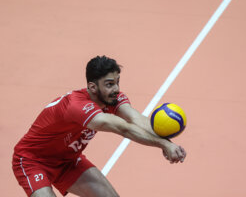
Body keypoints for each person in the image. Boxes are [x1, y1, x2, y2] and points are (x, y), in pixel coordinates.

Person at [12, 55, 187, 197]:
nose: (116, 89)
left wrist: (168, 143)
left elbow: (136, 119)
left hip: (68, 161)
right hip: (33, 161)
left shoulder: (112, 97)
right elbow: (123, 128)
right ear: (92, 87)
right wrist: (163, 144)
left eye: (117, 81)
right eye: (109, 84)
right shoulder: (77, 106)